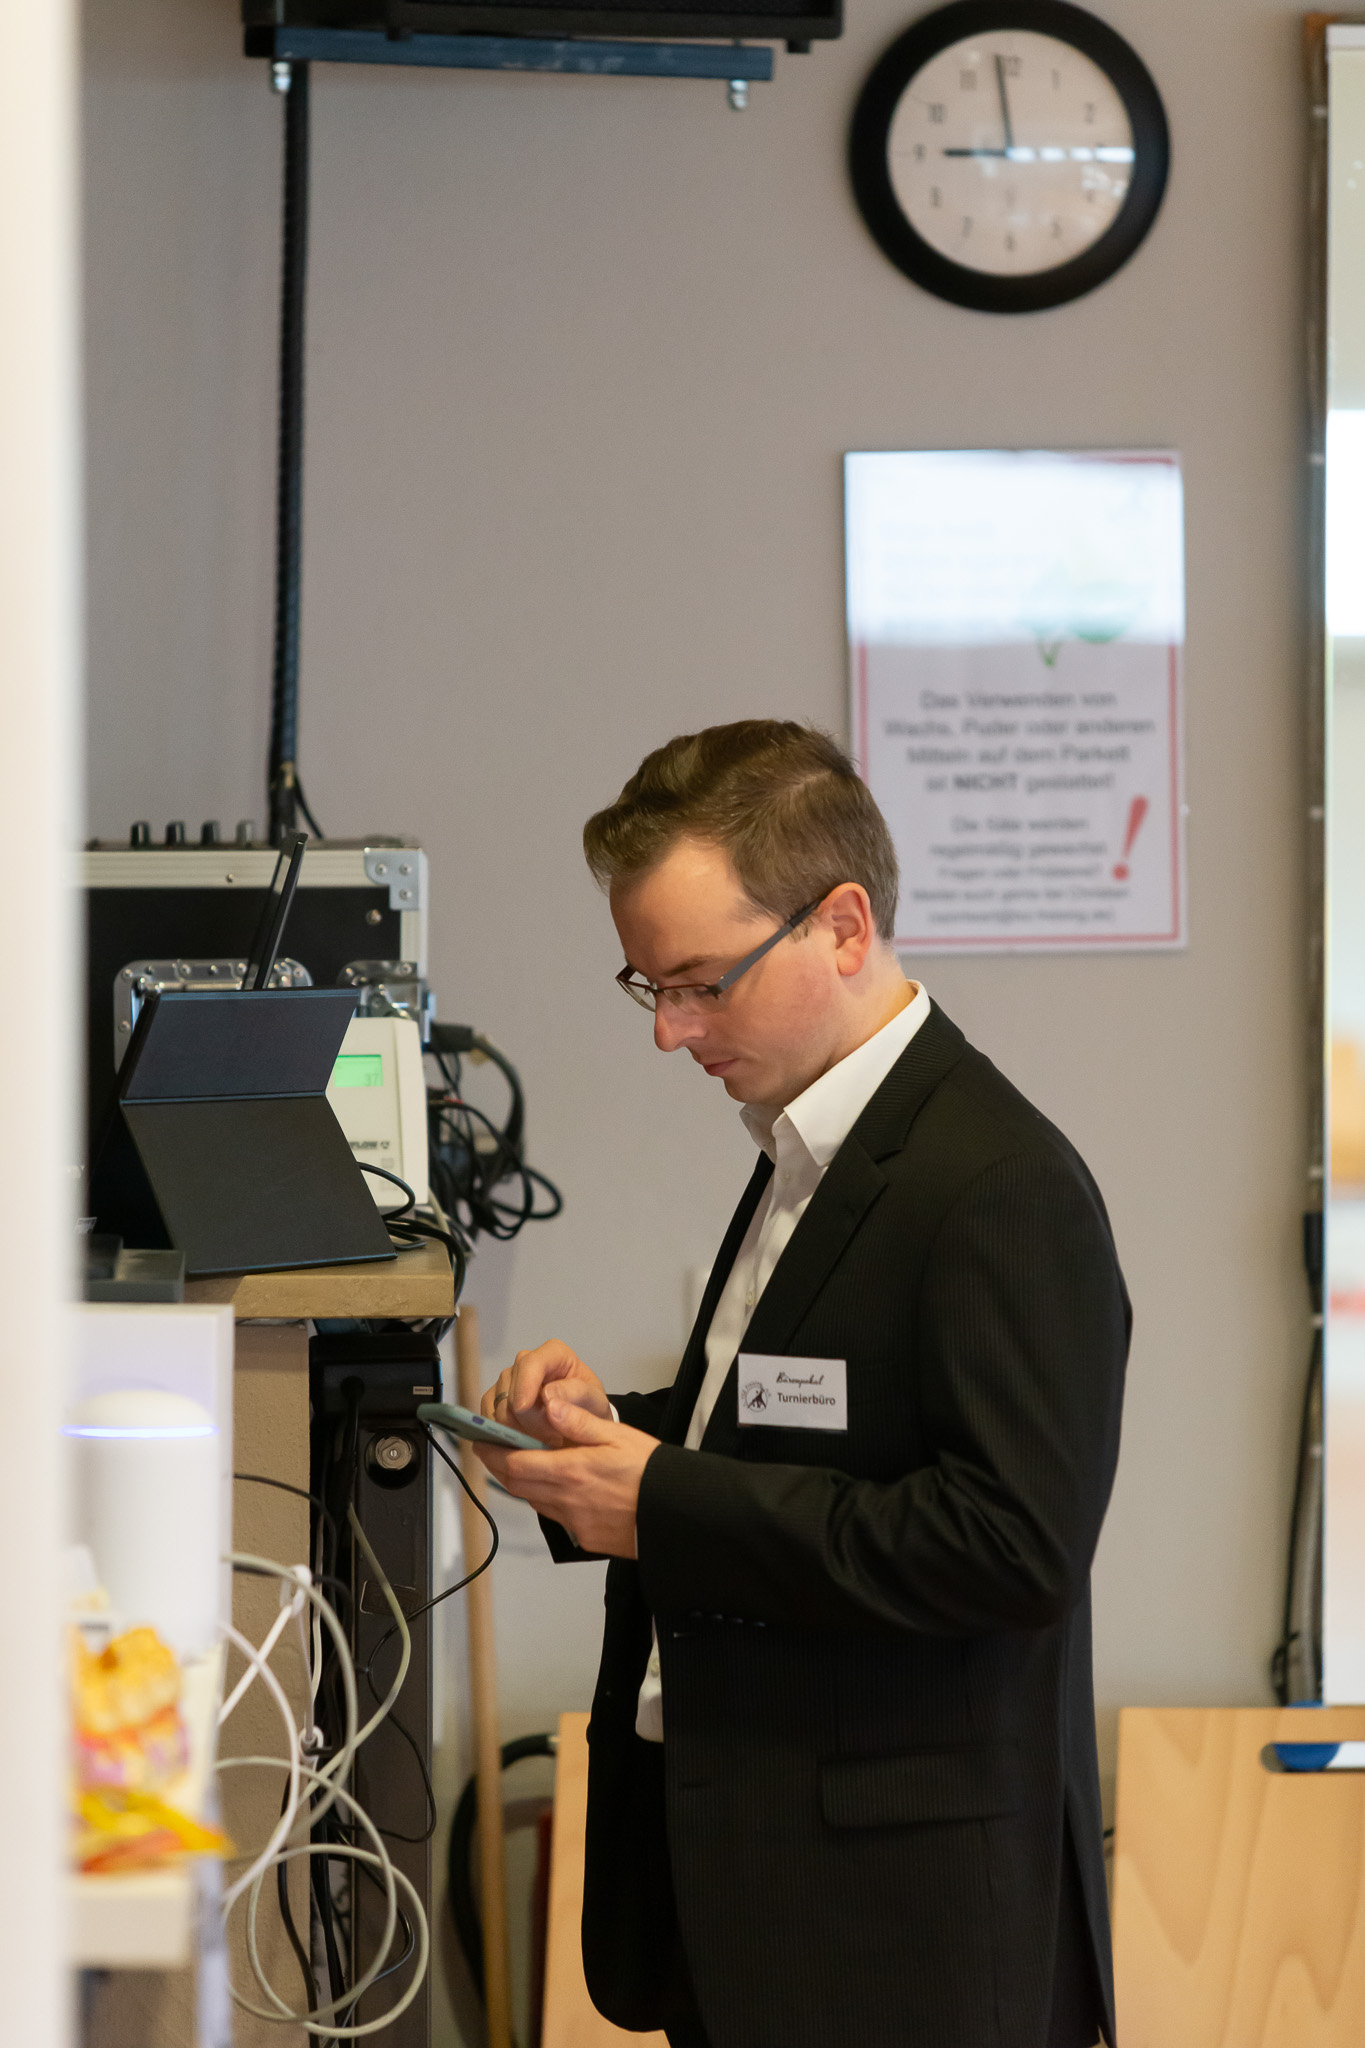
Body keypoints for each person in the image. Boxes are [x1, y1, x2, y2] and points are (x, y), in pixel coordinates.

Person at [475, 720, 1129, 2048]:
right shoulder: (810, 1147)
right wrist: (610, 1437)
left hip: (896, 1940)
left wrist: (660, 1504)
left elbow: (1011, 1547)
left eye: (702, 984)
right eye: (649, 987)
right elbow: (802, 1424)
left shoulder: (998, 1186)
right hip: (755, 1898)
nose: (671, 1033)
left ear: (842, 926)